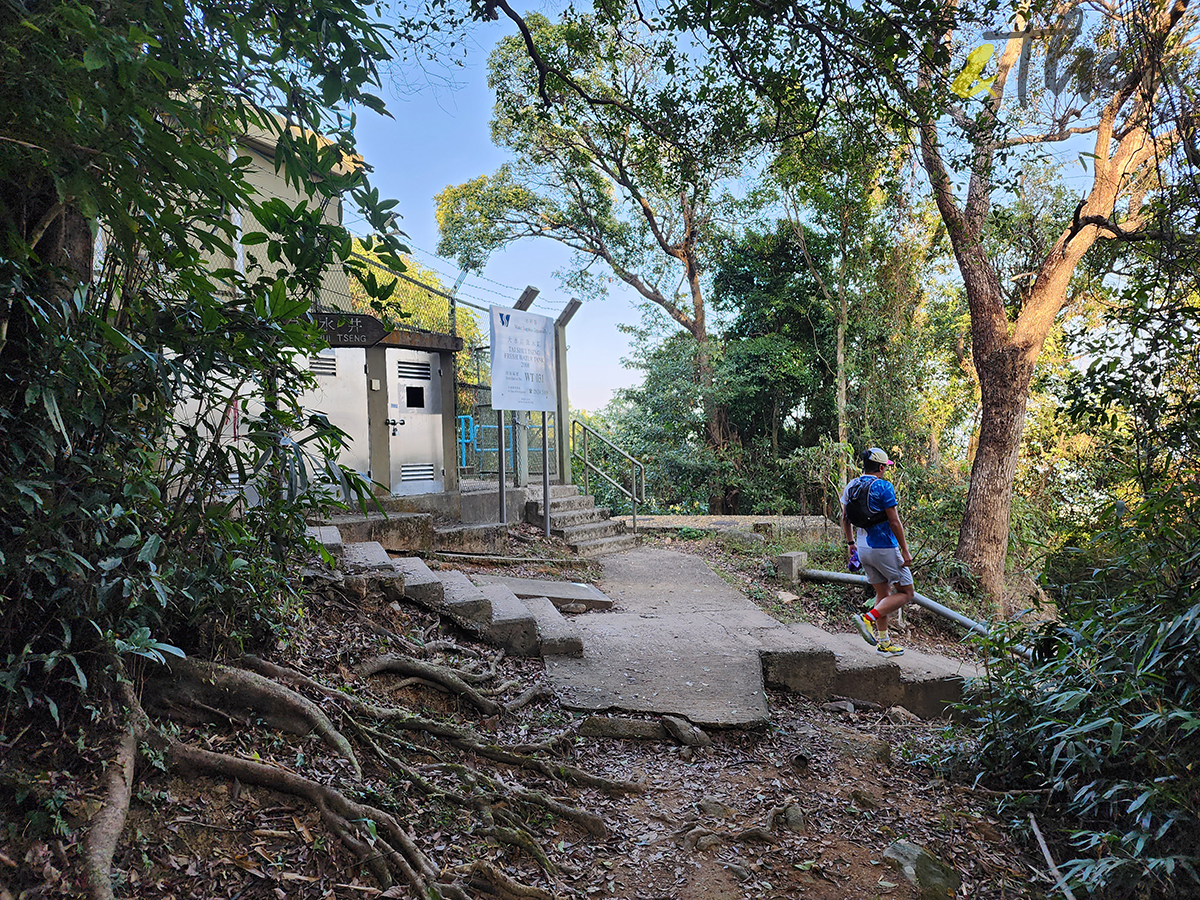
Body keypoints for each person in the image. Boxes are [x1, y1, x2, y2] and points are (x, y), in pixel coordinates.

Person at [841, 447, 915, 657]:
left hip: (863, 549)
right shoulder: (883, 487)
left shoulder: (852, 485)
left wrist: (850, 543)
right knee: (907, 593)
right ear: (881, 467)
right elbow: (894, 521)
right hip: (884, 548)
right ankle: (867, 619)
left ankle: (884, 643)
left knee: (883, 595)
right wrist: (905, 550)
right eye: (886, 467)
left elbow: (845, 518)